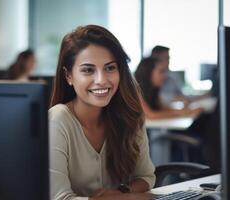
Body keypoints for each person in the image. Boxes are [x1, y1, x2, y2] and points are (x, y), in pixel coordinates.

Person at [49, 25, 155, 200]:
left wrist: (121, 193)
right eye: (88, 70)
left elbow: (146, 177)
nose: (101, 80)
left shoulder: (130, 115)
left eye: (110, 68)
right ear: (68, 76)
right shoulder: (58, 120)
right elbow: (60, 198)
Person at [134, 57, 202, 119]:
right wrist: (185, 112)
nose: (165, 76)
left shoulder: (153, 91)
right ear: (148, 73)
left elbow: (163, 109)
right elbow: (151, 115)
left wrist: (187, 111)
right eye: (161, 72)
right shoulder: (136, 91)